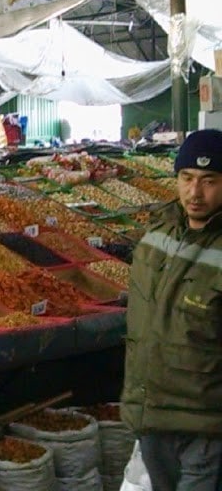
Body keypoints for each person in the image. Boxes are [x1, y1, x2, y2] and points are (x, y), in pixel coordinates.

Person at [122, 128, 222, 491]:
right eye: (187, 178)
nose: (195, 192)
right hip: (152, 412)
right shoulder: (156, 233)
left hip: (206, 424)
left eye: (209, 181)